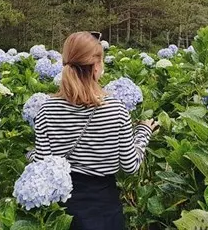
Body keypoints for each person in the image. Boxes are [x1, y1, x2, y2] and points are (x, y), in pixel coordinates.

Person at [27, 31, 158, 230]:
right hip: (105, 209)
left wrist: (29, 154)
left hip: (65, 212)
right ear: (97, 66)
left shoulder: (46, 109)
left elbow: (43, 163)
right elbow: (130, 166)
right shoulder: (116, 109)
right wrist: (143, 132)